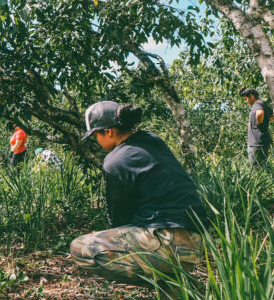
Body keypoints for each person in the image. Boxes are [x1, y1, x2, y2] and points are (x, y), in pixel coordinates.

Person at [70, 101, 207, 285]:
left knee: (80, 248)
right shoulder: (152, 139)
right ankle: (175, 279)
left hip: (170, 244)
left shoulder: (115, 161)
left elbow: (119, 219)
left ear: (109, 131)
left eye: (95, 135)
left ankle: (172, 285)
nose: (97, 141)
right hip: (198, 240)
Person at [238, 88, 274, 167]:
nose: (246, 101)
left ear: (251, 96)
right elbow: (273, 115)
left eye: (246, 99)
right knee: (264, 167)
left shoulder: (257, 104)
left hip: (256, 142)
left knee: (255, 170)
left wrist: (259, 123)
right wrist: (265, 121)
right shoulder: (264, 104)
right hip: (262, 141)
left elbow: (260, 113)